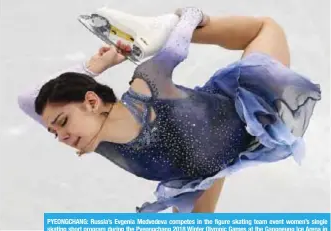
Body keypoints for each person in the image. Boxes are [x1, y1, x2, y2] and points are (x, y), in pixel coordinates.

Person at [18, 6, 321, 213]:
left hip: (245, 108)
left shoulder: (145, 87)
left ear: (92, 103)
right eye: (54, 132)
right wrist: (94, 66)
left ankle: (163, 24)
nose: (62, 137)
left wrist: (187, 20)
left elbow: (174, 47)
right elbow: (28, 100)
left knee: (265, 28)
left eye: (62, 122)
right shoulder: (95, 139)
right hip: (203, 172)